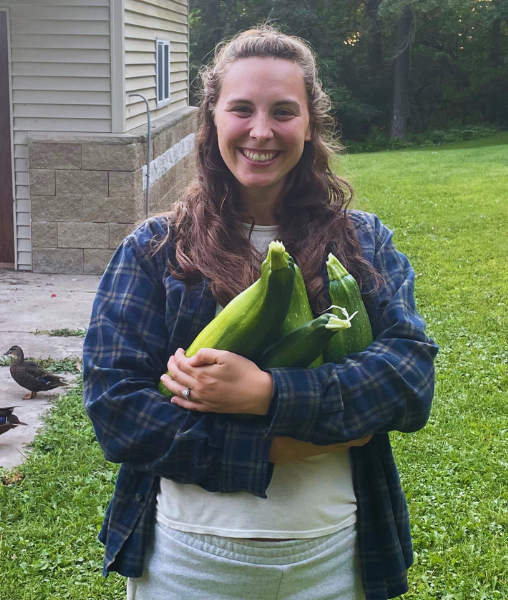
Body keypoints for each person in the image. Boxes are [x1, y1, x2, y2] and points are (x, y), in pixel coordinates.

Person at [83, 25, 438, 600]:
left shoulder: (364, 243)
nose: (261, 131)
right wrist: (299, 441)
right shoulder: (153, 250)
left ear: (311, 124)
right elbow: (118, 412)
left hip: (332, 556)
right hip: (187, 561)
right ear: (213, 119)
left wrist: (266, 394)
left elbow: (407, 379)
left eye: (284, 111)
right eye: (242, 108)